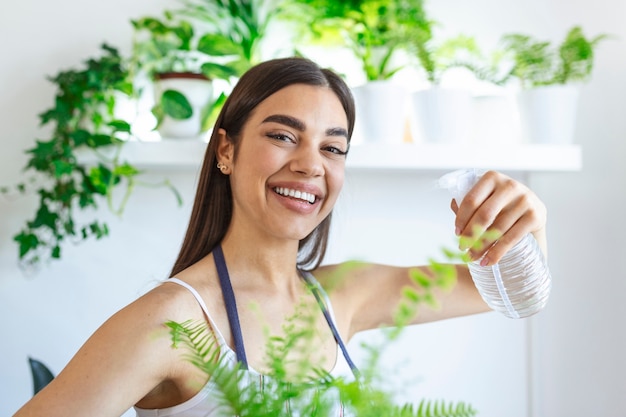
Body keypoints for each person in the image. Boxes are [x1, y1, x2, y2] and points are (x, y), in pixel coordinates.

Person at [14, 56, 548, 417]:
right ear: (226, 151)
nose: (309, 164)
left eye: (332, 148)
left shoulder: (344, 295)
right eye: (282, 135)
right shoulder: (175, 321)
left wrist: (531, 222)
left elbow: (512, 296)